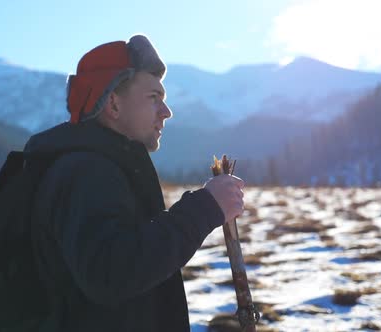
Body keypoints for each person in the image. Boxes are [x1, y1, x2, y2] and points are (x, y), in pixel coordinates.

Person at [25, 34, 245, 331]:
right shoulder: (85, 172)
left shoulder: (97, 166)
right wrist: (205, 208)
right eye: (154, 98)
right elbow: (111, 273)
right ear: (113, 104)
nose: (167, 112)